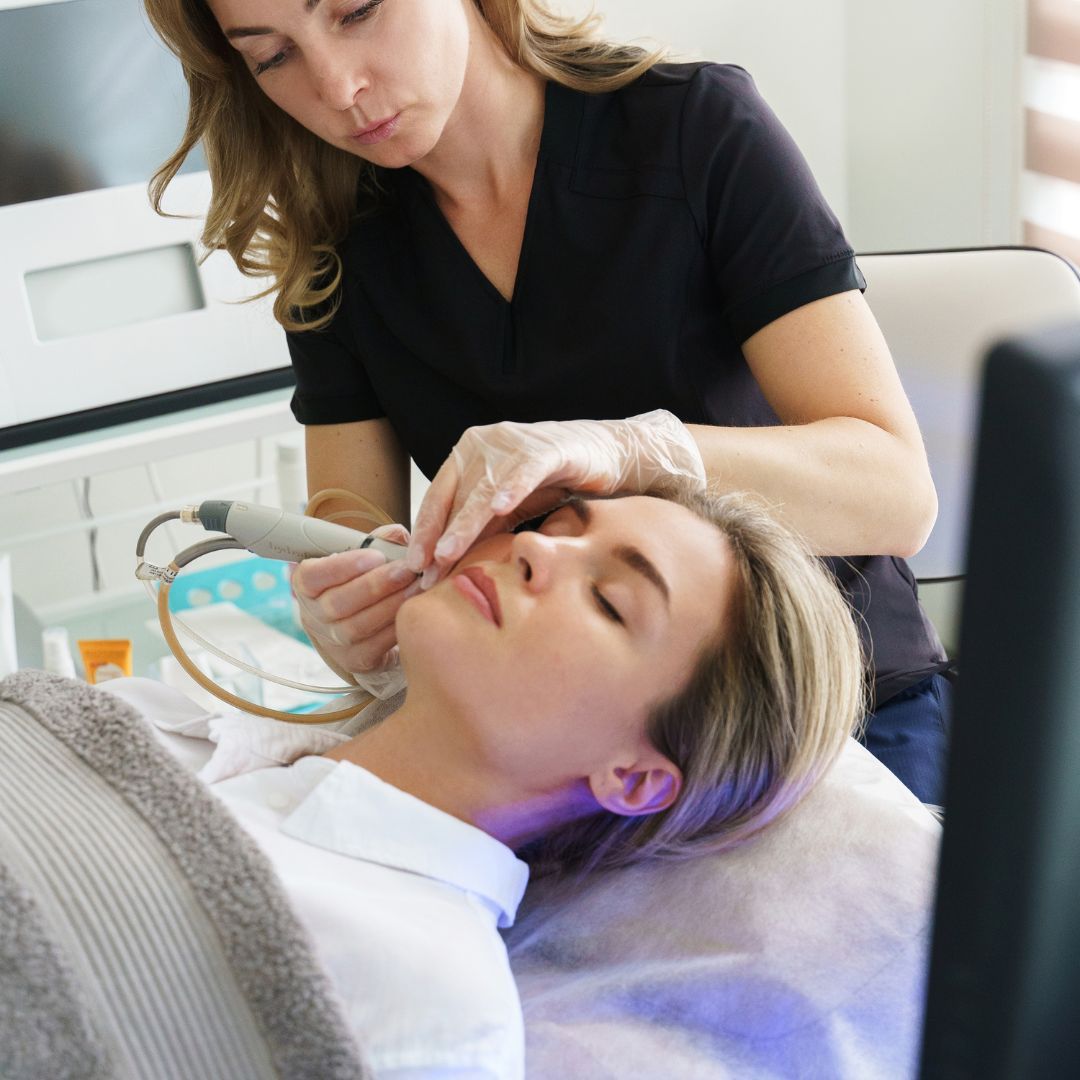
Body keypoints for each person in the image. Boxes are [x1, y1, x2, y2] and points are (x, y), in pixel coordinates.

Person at [143, 0, 952, 803]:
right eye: (271, 55)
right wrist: (348, 624)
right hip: (574, 762)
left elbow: (895, 495)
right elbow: (352, 541)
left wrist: (629, 452)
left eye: (357, 12)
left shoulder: (693, 131)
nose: (339, 86)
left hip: (843, 708)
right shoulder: (335, 254)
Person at [166, 487, 865, 1076]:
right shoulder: (160, 724)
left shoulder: (429, 1008)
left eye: (611, 602)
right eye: (549, 527)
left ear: (632, 777)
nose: (533, 549)